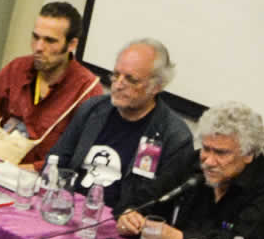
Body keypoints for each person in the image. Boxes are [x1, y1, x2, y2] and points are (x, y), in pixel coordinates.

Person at [119, 102, 264, 239]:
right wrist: (131, 215)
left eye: (221, 153)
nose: (209, 161)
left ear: (248, 154)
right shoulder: (193, 163)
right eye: (206, 148)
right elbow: (147, 197)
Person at [48, 38, 192, 217]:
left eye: (131, 79)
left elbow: (160, 207)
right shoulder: (92, 110)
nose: (118, 84)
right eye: (116, 75)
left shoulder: (175, 136)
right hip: (67, 209)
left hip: (116, 225)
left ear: (157, 86)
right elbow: (58, 160)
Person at [0, 1, 101, 166]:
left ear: (71, 45)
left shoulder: (87, 91)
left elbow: (76, 160)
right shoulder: (17, 69)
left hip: (34, 181)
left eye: (50, 41)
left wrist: (24, 171)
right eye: (35, 37)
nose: (39, 47)